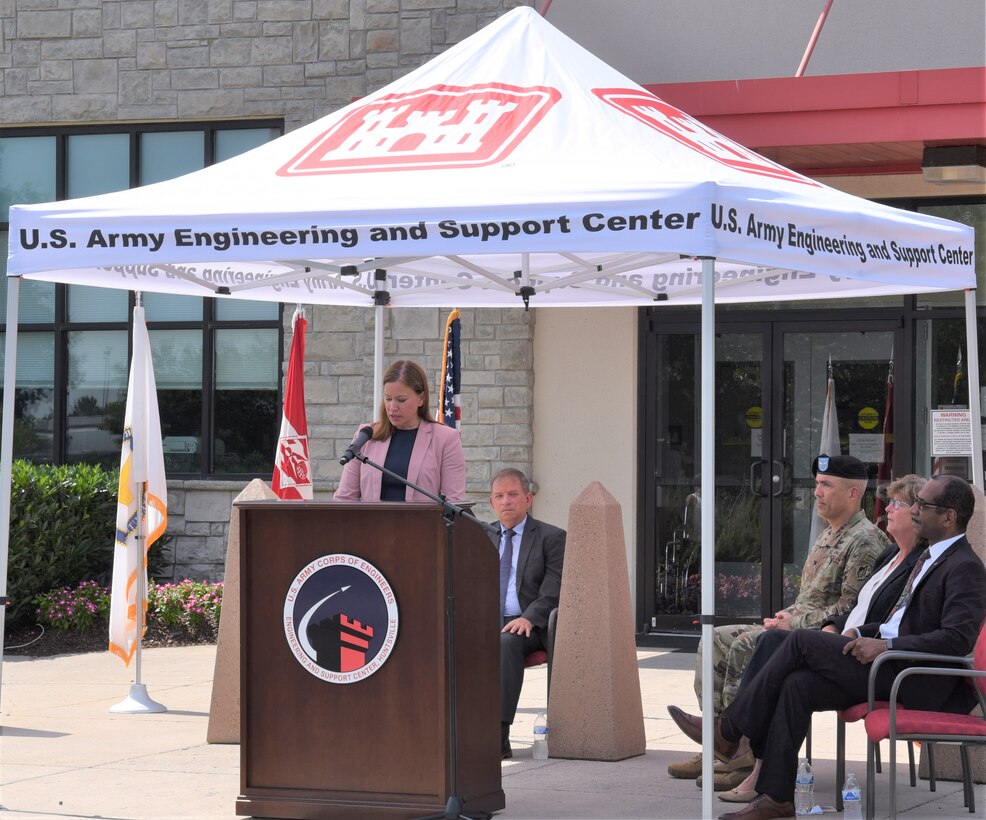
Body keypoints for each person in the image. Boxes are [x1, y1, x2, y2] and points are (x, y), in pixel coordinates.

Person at [671, 474, 986, 820]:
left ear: (949, 517)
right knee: (796, 684)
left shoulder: (965, 567)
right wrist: (859, 632)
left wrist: (885, 645)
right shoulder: (929, 557)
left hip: (911, 677)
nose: (913, 510)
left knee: (800, 641)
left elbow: (956, 640)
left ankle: (729, 731)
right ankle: (776, 797)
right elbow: (900, 618)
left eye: (922, 505)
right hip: (887, 662)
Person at [667, 454, 886, 787]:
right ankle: (718, 746)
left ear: (853, 494)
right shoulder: (829, 534)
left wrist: (793, 625)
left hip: (818, 641)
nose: (817, 493)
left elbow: (850, 609)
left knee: (744, 645)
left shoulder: (865, 541)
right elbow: (813, 597)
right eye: (817, 485)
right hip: (796, 627)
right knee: (713, 639)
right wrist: (787, 615)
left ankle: (741, 752)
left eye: (826, 485)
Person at [712, 474, 928, 804]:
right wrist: (832, 625)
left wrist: (849, 633)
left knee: (791, 641)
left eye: (896, 503)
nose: (887, 509)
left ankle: (729, 732)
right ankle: (772, 791)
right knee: (789, 672)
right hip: (846, 644)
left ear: (917, 513)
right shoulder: (890, 557)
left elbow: (898, 625)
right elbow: (859, 608)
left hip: (873, 659)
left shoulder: (919, 562)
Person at [490, 467, 565, 760]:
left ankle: (498, 734)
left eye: (512, 494)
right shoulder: (482, 535)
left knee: (506, 642)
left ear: (528, 499)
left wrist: (529, 618)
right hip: (488, 621)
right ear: (491, 503)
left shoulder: (551, 537)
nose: (506, 501)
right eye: (499, 496)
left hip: (530, 626)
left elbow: (553, 591)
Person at [334, 360, 466, 502]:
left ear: (421, 399)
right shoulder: (366, 435)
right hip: (372, 524)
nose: (392, 407)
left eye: (401, 400)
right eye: (388, 399)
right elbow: (345, 499)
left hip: (423, 524)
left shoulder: (446, 438)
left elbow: (454, 502)